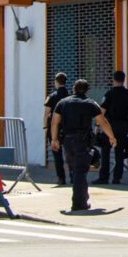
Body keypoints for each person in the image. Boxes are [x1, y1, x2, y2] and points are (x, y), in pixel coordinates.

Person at [49, 79, 117, 213]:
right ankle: (78, 203)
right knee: (80, 170)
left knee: (76, 170)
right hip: (82, 140)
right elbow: (103, 122)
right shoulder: (90, 104)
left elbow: (54, 122)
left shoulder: (62, 103)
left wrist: (54, 139)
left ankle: (82, 198)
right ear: (86, 91)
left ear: (73, 89)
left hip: (67, 141)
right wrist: (111, 137)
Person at [96, 70, 128, 183]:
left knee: (105, 151)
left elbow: (102, 111)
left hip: (110, 126)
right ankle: (117, 178)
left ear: (113, 80)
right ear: (123, 80)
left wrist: (97, 125)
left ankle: (103, 177)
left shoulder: (109, 94)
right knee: (119, 153)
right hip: (123, 125)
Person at [42, 72, 69, 185]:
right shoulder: (69, 96)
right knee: (70, 152)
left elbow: (46, 113)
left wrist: (45, 128)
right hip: (67, 127)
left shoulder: (52, 96)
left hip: (54, 127)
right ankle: (73, 176)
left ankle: (61, 178)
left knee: (57, 153)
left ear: (56, 82)